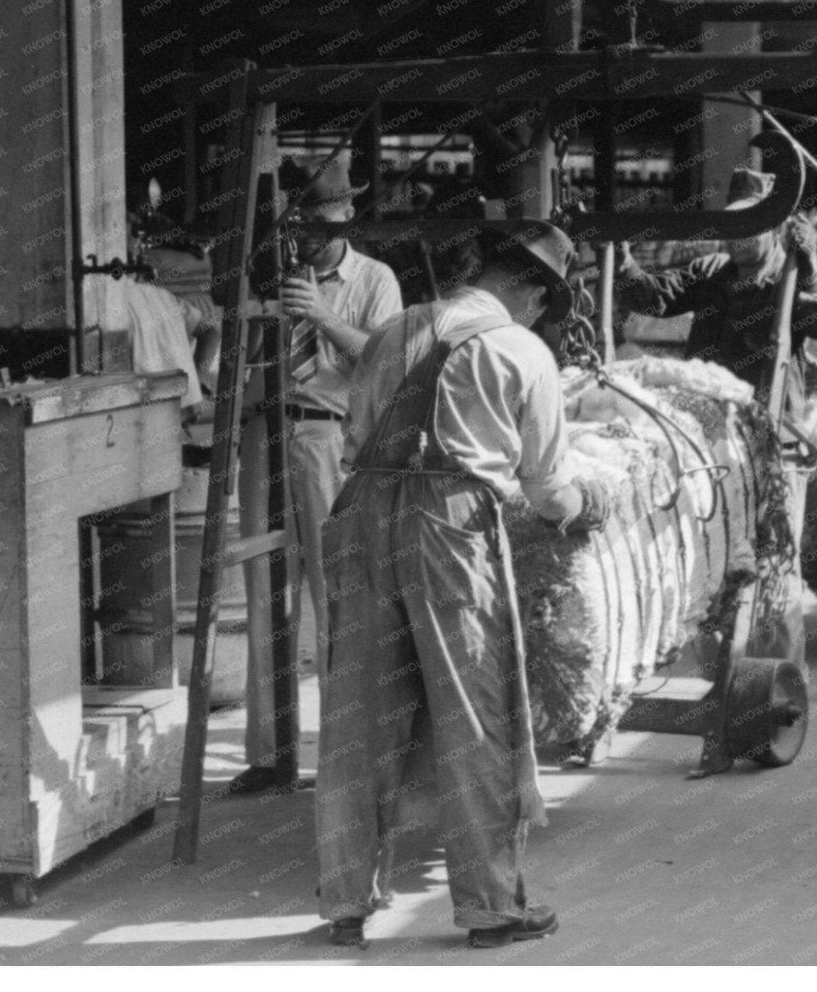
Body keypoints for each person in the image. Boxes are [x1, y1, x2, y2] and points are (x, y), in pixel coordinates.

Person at [315, 221, 610, 950]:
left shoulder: (390, 330)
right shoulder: (522, 350)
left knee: (359, 713)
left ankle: (346, 903)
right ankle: (490, 906)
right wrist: (594, 504)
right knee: (473, 709)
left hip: (360, 512)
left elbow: (354, 431)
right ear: (535, 292)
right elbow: (548, 492)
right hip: (450, 524)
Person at [231, 153, 403, 795]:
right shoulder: (270, 273)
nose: (312, 239)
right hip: (266, 430)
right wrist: (257, 311)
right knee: (263, 593)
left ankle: (345, 755)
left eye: (325, 226)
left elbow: (391, 359)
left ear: (347, 218)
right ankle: (270, 755)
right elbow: (233, 356)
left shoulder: (375, 279)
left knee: (338, 596)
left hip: (330, 437)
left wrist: (324, 318)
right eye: (303, 226)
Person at [614, 167, 817, 420]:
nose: (738, 236)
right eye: (732, 225)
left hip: (770, 425)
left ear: (776, 229)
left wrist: (810, 263)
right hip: (708, 416)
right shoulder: (710, 270)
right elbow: (652, 298)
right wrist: (625, 265)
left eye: (749, 226)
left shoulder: (790, 278)